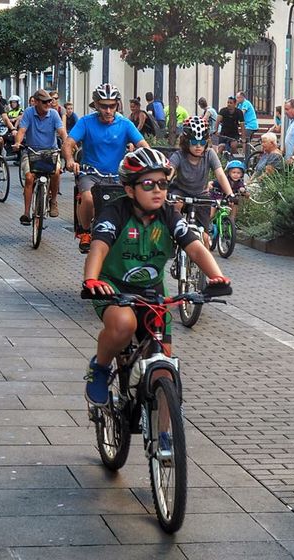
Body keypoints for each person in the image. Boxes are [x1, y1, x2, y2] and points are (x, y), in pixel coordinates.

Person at [82, 148, 231, 405]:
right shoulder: (115, 212)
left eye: (163, 183)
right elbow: (99, 247)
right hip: (113, 287)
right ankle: (101, 366)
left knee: (164, 371)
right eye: (148, 184)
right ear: (130, 190)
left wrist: (217, 277)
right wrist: (92, 280)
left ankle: (165, 440)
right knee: (125, 324)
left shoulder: (168, 214)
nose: (158, 190)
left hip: (152, 291)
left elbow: (195, 246)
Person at [63, 83, 150, 253]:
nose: (108, 110)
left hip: (118, 176)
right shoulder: (86, 122)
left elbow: (143, 146)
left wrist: (150, 162)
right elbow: (68, 143)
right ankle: (86, 231)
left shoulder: (125, 124)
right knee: (88, 199)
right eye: (103, 106)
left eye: (112, 106)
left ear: (117, 105)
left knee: (135, 201)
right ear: (95, 105)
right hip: (91, 174)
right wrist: (69, 160)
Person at [169, 116, 234, 240]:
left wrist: (230, 194)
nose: (198, 146)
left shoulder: (209, 154)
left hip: (200, 194)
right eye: (194, 142)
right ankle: (173, 234)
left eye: (202, 143)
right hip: (180, 191)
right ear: (186, 141)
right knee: (175, 204)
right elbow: (169, 171)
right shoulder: (179, 155)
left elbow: (220, 174)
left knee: (204, 237)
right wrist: (163, 182)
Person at [13, 89, 69, 223]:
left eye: (50, 101)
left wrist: (67, 143)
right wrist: (17, 142)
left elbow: (62, 131)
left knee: (56, 172)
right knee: (29, 177)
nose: (48, 104)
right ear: (36, 102)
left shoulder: (54, 114)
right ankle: (26, 213)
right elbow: (22, 130)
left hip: (51, 152)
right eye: (44, 102)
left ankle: (53, 201)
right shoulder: (28, 112)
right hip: (32, 151)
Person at [5, 95, 24, 164]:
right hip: (8, 129)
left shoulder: (20, 110)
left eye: (14, 102)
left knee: (17, 138)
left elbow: (21, 116)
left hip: (17, 129)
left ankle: (19, 156)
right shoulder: (9, 112)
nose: (13, 104)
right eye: (11, 102)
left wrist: (14, 119)